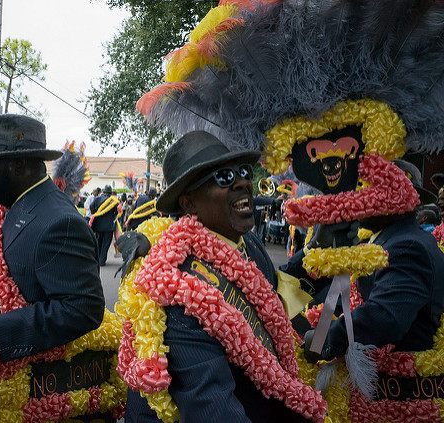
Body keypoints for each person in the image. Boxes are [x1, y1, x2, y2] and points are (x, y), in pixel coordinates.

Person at [123, 132, 322, 422]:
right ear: (189, 204)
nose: (242, 182)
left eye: (242, 173)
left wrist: (322, 255)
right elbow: (215, 411)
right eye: (223, 178)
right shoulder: (177, 289)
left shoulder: (248, 243)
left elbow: (276, 300)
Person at [0, 113, 105, 369]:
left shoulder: (60, 223)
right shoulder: (13, 205)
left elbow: (83, 308)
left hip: (33, 379)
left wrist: (4, 330)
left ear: (18, 166)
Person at [294, 160, 444, 362]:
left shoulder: (408, 247)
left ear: (397, 198)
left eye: (368, 189)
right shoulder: (382, 240)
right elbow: (348, 300)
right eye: (360, 188)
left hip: (394, 387)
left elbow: (385, 317)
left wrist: (323, 340)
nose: (358, 198)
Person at [90, 185, 118, 266]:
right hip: (109, 226)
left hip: (98, 225)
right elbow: (116, 212)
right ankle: (102, 261)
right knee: (106, 244)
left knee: (99, 242)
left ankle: (97, 259)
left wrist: (96, 213)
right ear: (110, 192)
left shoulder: (98, 198)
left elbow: (91, 206)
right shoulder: (113, 200)